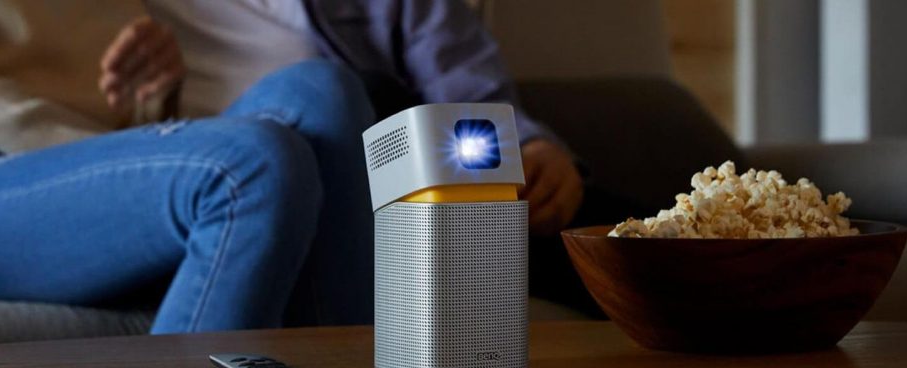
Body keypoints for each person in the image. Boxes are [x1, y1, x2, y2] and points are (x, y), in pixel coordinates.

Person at [0, 1, 375, 333]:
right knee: (247, 169)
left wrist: (154, 95)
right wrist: (96, 151)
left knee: (322, 94)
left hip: (79, 171)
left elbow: (122, 116)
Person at [141, 0, 585, 325]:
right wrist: (140, 109)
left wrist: (529, 147)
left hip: (376, 175)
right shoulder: (128, 19)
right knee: (312, 110)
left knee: (358, 99)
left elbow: (469, 87)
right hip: (196, 178)